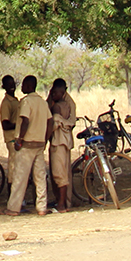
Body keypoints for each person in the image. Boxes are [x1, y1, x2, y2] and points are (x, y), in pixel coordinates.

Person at [3, 75, 51, 216]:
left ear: (29, 86)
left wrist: (20, 139)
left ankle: (13, 208)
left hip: (27, 144)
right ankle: (42, 207)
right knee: (40, 177)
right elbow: (50, 122)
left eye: (23, 85)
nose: (21, 87)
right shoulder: (43, 103)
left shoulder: (26, 102)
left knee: (20, 177)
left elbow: (25, 120)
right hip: (39, 143)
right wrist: (45, 139)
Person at [47, 78, 77, 213]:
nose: (53, 95)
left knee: (60, 173)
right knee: (61, 171)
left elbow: (53, 122)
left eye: (55, 92)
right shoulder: (62, 102)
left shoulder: (60, 106)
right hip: (63, 140)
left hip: (59, 141)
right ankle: (62, 200)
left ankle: (62, 203)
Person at [0, 75, 19, 186]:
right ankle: (11, 192)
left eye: (13, 84)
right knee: (13, 167)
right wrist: (19, 125)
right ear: (4, 86)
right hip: (11, 139)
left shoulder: (15, 100)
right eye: (8, 84)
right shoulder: (6, 103)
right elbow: (5, 124)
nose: (12, 86)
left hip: (17, 137)